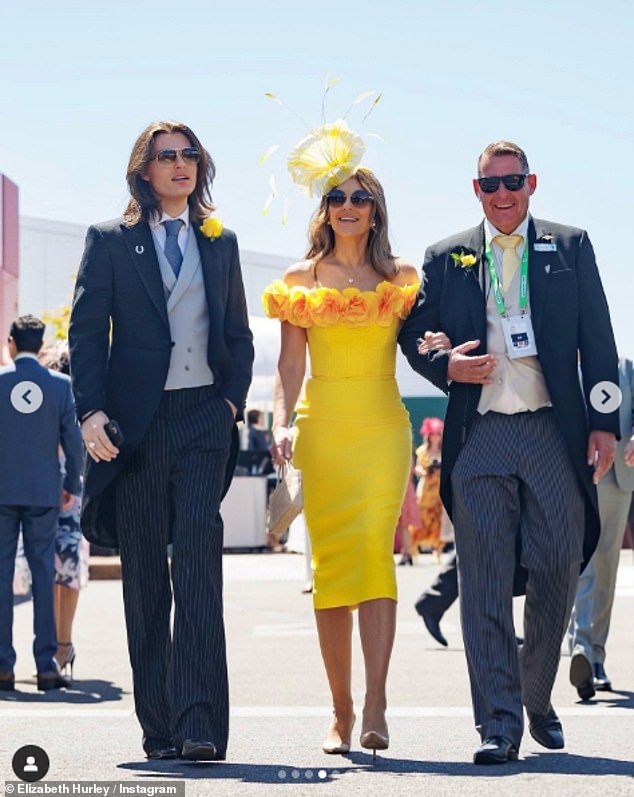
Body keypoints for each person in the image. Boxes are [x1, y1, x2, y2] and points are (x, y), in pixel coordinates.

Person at [399, 140, 619, 765]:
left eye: (513, 181)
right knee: (485, 580)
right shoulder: (447, 256)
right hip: (481, 434)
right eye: (490, 184)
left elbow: (599, 338)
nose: (503, 193)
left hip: (553, 428)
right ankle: (498, 722)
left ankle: (534, 692)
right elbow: (413, 334)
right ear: (476, 190)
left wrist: (603, 423)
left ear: (532, 184)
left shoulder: (570, 246)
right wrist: (447, 364)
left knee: (559, 562)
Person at [68, 121, 254, 761]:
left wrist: (230, 404)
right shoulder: (110, 241)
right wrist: (90, 412)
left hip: (204, 417)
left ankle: (202, 721)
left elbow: (237, 333)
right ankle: (160, 727)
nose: (180, 166)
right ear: (143, 171)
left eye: (189, 155)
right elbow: (88, 333)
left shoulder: (220, 241)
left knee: (200, 563)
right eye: (166, 157)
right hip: (137, 428)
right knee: (146, 576)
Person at [264, 122, 420, 758]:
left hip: (384, 428)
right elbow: (288, 364)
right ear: (323, 209)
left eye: (359, 197)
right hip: (322, 427)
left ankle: (378, 701)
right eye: (336, 197)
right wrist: (279, 420)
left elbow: (429, 345)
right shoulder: (301, 279)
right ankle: (340, 711)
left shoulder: (403, 275)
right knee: (330, 567)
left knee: (375, 558)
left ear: (375, 208)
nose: (348, 207)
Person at [0, 315, 83, 691]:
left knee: (1, 579)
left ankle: (3, 665)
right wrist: (70, 484)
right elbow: (74, 439)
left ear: (12, 343)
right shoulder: (61, 386)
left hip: (3, 492)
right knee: (44, 575)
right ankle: (46, 664)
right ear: (42, 341)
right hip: (45, 492)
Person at [568, 356, 634, 699]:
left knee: (606, 568)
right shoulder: (560, 360)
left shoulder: (625, 367)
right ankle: (580, 648)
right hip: (576, 476)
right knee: (584, 563)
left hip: (618, 477)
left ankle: (595, 655)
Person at [406, 417, 450, 563]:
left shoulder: (445, 450)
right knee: (422, 518)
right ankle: (414, 548)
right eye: (433, 434)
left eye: (438, 434)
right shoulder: (422, 451)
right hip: (425, 491)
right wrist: (425, 471)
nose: (435, 437)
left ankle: (437, 552)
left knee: (438, 520)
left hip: (439, 490)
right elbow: (418, 468)